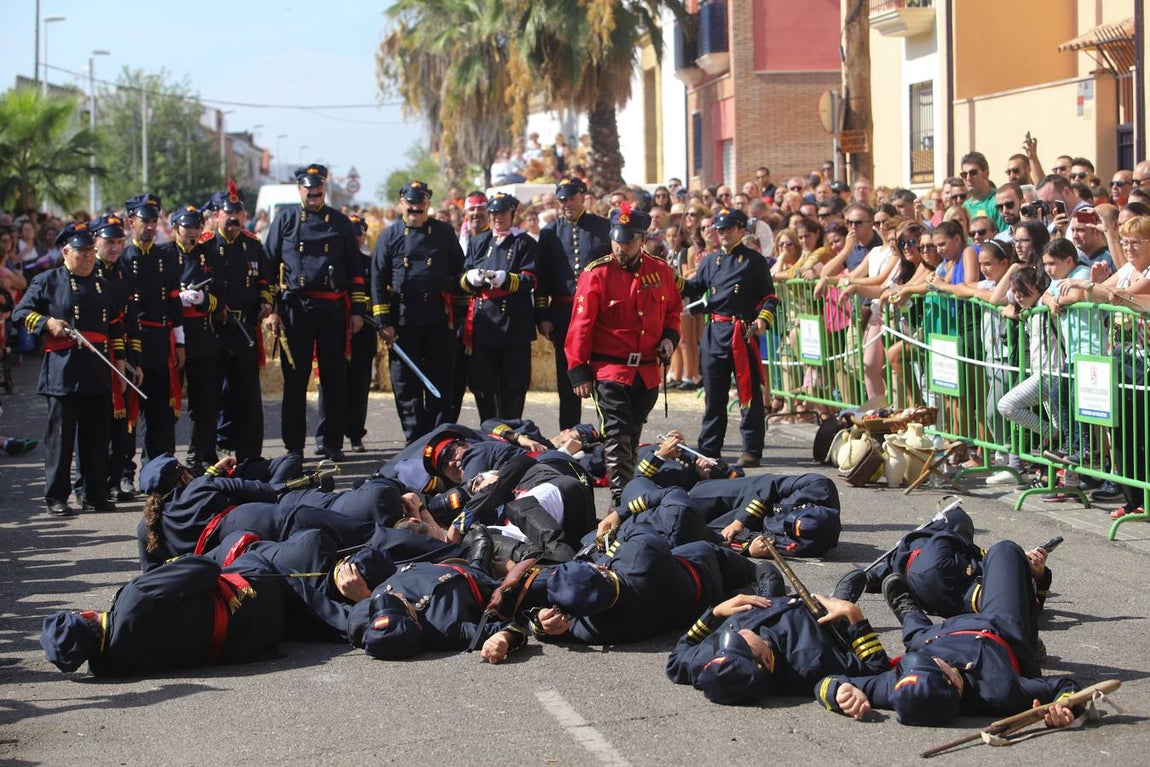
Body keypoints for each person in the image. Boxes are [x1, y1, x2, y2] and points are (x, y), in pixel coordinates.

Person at [816, 541, 1077, 727]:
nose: (939, 660)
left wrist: (839, 694)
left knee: (916, 640)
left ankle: (907, 611)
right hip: (999, 629)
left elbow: (825, 682)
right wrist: (1064, 708)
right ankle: (1029, 605)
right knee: (1005, 551)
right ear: (955, 685)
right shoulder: (1002, 692)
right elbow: (1066, 687)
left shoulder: (898, 689)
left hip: (931, 638)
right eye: (938, 667)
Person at [565, 206, 681, 511]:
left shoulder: (661, 271)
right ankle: (620, 502)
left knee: (631, 434)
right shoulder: (597, 273)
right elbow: (581, 324)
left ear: (641, 239)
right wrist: (578, 369)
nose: (621, 247)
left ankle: (631, 493)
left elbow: (673, 313)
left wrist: (670, 339)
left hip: (646, 372)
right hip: (610, 370)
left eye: (627, 242)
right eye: (617, 241)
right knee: (616, 434)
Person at [12, 222, 125, 516]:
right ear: (65, 252)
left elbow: (116, 325)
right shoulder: (48, 280)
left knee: (96, 437)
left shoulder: (103, 285)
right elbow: (20, 313)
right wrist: (46, 323)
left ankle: (93, 493)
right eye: (81, 250)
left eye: (90, 250)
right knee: (61, 440)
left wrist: (122, 362)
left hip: (97, 369)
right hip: (63, 371)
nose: (88, 256)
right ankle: (56, 497)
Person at [265, 164, 370, 460]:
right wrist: (272, 309)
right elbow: (268, 267)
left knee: (334, 378)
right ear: (299, 189)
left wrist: (357, 311)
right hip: (294, 309)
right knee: (295, 380)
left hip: (332, 308)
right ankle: (294, 446)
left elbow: (356, 271)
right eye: (309, 192)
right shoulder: (284, 220)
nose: (313, 196)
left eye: (318, 192)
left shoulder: (339, 222)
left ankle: (331, 442)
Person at [682, 208, 777, 468]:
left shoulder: (754, 261)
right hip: (714, 333)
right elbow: (694, 289)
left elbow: (769, 297)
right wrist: (674, 279)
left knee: (748, 394)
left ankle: (751, 449)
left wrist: (761, 321)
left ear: (740, 230)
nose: (722, 234)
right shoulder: (710, 261)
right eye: (719, 229)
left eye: (728, 229)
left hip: (740, 332)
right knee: (714, 395)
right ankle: (709, 448)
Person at [371, 180, 464, 444]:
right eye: (410, 206)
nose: (415, 210)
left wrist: (458, 318)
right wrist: (384, 323)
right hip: (403, 321)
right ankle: (415, 440)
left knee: (441, 380)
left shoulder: (444, 232)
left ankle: (438, 440)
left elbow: (459, 274)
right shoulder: (388, 237)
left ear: (428, 205)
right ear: (402, 204)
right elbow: (377, 282)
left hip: (437, 319)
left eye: (420, 205)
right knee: (405, 385)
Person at [537, 177, 613, 429]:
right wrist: (543, 314)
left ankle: (607, 434)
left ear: (583, 197)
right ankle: (568, 434)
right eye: (562, 199)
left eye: (571, 198)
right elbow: (542, 276)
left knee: (602, 374)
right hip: (563, 312)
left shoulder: (602, 227)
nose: (567, 203)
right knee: (567, 377)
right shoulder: (549, 232)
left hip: (597, 312)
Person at [460, 192, 537, 421]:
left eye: (502, 213)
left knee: (513, 385)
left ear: (513, 214)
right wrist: (470, 278)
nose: (497, 218)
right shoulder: (478, 242)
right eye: (493, 213)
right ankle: (489, 430)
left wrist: (506, 278)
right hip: (485, 325)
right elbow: (463, 278)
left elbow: (531, 279)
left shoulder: (525, 243)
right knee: (483, 384)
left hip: (513, 324)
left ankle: (512, 431)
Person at [208, 185, 271, 463]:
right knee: (212, 396)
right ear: (216, 215)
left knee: (248, 397)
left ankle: (250, 456)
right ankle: (210, 454)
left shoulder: (253, 245)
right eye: (228, 212)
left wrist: (266, 303)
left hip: (245, 328)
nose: (233, 217)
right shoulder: (206, 245)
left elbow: (266, 283)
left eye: (238, 212)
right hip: (215, 329)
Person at [121, 193, 184, 468]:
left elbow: (174, 301)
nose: (149, 226)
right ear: (131, 222)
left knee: (163, 408)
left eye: (153, 220)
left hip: (161, 340)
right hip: (134, 341)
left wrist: (180, 343)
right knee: (133, 410)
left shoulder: (165, 256)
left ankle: (164, 465)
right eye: (144, 220)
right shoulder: (123, 259)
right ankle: (126, 469)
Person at [91, 214, 142, 500]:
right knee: (100, 423)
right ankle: (98, 481)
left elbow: (132, 318)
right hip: (98, 355)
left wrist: (136, 359)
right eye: (109, 242)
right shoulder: (89, 271)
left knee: (125, 425)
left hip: (123, 353)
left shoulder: (123, 271)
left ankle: (122, 476)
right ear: (96, 241)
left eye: (119, 242)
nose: (114, 247)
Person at [171, 205, 223, 475]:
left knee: (205, 401)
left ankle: (198, 453)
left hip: (202, 336)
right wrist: (175, 299)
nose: (191, 233)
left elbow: (222, 295)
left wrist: (204, 300)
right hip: (174, 338)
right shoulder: (165, 255)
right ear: (175, 229)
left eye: (195, 227)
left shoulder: (209, 256)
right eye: (186, 227)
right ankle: (165, 456)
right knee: (169, 401)